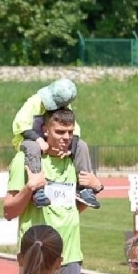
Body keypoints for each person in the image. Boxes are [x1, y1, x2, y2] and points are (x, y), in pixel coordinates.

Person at [3, 107, 88, 274]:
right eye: (59, 132)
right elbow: (8, 211)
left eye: (70, 132)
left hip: (70, 256)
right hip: (37, 255)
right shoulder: (25, 160)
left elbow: (75, 207)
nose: (66, 138)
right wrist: (30, 188)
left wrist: (95, 187)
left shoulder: (72, 160)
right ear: (45, 130)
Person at [11, 79, 102, 208]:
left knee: (81, 145)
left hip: (51, 141)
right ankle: (38, 190)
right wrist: (38, 140)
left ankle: (84, 188)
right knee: (33, 147)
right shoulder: (34, 102)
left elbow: (75, 130)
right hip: (29, 140)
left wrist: (70, 148)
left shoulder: (64, 106)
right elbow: (21, 125)